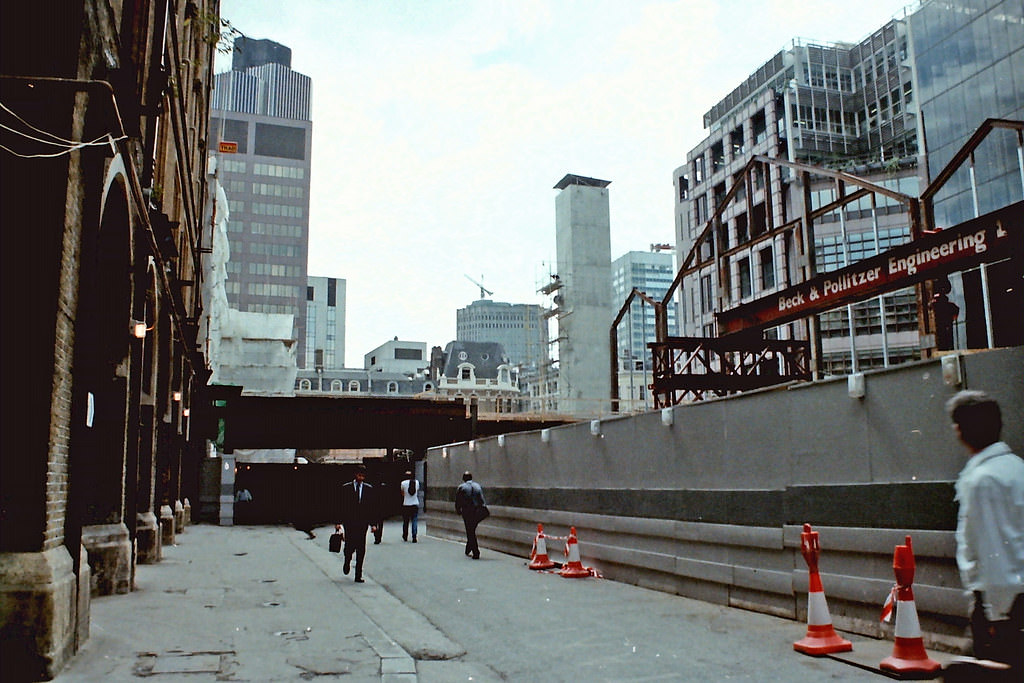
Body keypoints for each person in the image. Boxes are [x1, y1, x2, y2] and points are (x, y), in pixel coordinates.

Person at [946, 390, 1024, 679]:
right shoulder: (1017, 468)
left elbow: (995, 554)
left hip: (1003, 606)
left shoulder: (983, 481)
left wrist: (996, 616)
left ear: (961, 430)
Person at [335, 465, 378, 583]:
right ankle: (347, 560)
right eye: (359, 475)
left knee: (361, 548)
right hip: (349, 522)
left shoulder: (369, 489)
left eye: (363, 476)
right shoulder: (346, 488)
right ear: (355, 475)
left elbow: (371, 508)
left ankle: (358, 574)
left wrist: (373, 524)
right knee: (349, 545)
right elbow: (340, 506)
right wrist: (338, 522)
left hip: (362, 523)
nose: (361, 478)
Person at [454, 471, 486, 559]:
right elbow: (482, 500)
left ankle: (475, 551)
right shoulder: (477, 486)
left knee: (470, 530)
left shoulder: (461, 487)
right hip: (477, 511)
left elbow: (458, 500)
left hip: (467, 511)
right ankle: (468, 548)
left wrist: (458, 509)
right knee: (471, 530)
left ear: (464, 478)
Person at [400, 470, 420, 542]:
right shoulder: (416, 482)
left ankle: (405, 535)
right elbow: (417, 491)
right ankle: (414, 536)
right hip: (415, 503)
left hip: (406, 504)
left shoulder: (403, 483)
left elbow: (402, 493)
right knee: (414, 520)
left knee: (406, 521)